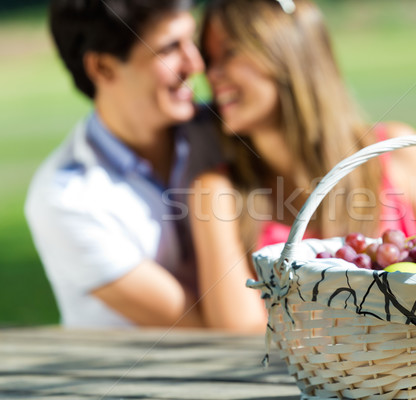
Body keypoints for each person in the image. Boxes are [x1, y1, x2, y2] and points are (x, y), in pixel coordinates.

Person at [188, 0, 416, 317]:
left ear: (288, 54)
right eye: (209, 59)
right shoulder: (219, 192)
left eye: (229, 53)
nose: (211, 75)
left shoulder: (396, 151)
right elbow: (239, 333)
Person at [25, 0, 265, 331]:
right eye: (170, 48)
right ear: (102, 68)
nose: (196, 64)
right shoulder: (67, 199)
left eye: (191, 41)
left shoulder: (224, 131)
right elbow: (207, 334)